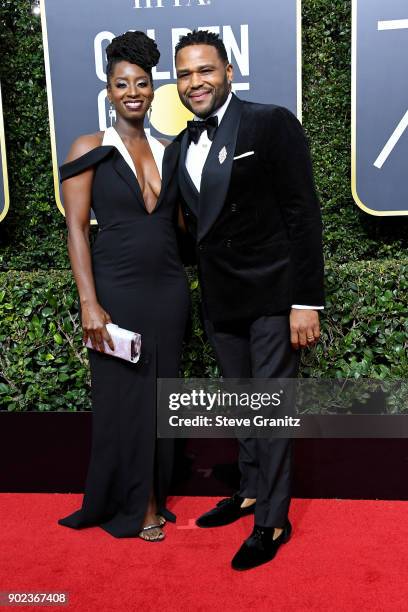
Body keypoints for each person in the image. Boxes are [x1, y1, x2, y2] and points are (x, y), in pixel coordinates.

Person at [174, 31, 324, 569]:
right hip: (221, 299)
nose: (196, 82)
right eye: (186, 74)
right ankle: (250, 492)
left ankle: (273, 521)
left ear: (229, 71)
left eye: (205, 70)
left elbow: (302, 212)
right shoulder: (179, 146)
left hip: (272, 293)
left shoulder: (269, 121)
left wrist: (307, 300)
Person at [58, 31, 189, 541]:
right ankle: (142, 505)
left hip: (169, 290)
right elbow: (75, 227)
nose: (132, 91)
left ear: (153, 89)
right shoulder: (88, 148)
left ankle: (153, 489)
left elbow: (183, 224)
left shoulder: (170, 150)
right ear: (108, 91)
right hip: (117, 290)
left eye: (141, 83)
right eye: (121, 84)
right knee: (125, 399)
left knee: (161, 396)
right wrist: (90, 302)